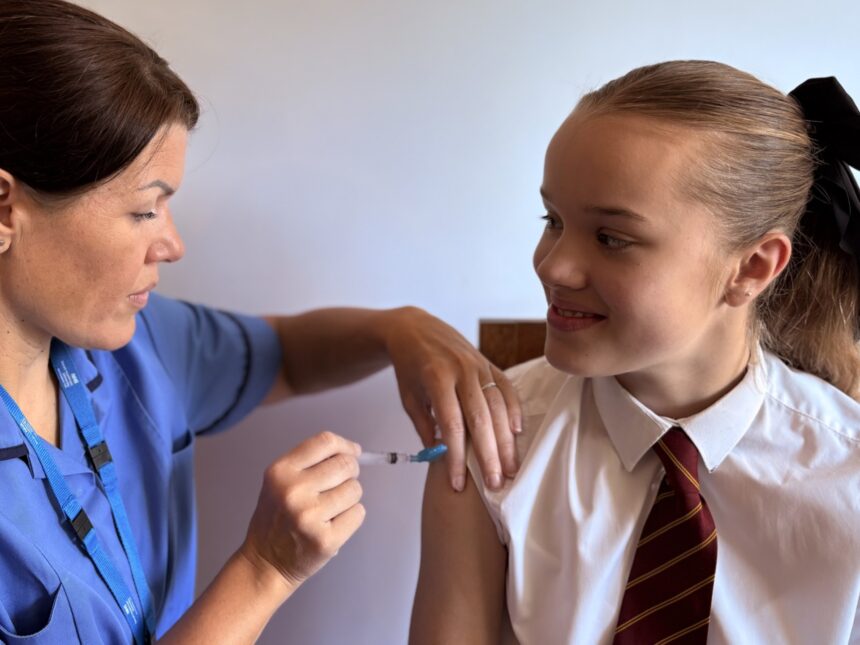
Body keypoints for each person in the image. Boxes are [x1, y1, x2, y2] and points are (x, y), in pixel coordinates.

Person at [0, 1, 522, 643]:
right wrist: (265, 569)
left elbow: (290, 356)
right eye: (144, 212)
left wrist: (399, 329)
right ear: (4, 208)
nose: (172, 245)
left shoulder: (137, 345)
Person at [411, 61, 860, 644]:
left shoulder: (847, 473)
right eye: (553, 220)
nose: (551, 265)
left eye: (611, 238)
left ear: (751, 268)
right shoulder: (495, 441)